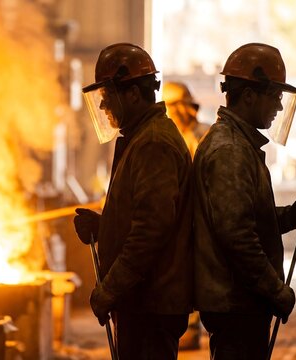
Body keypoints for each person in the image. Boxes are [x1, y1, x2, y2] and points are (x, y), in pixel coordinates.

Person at [191, 43, 296, 359]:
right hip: (236, 304)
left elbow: (245, 218)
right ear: (249, 95)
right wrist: (276, 291)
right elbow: (237, 238)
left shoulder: (238, 146)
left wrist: (292, 216)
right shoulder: (231, 152)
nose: (278, 106)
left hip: (238, 302)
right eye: (274, 95)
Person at [74, 42, 194, 359]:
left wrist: (110, 289)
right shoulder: (142, 138)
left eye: (107, 96)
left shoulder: (153, 142)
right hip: (143, 302)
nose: (102, 107)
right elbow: (143, 218)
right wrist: (105, 227)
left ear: (133, 94)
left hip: (151, 305)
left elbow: (150, 232)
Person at [162, 81, 209, 351]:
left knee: (194, 275)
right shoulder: (169, 138)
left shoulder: (201, 137)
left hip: (196, 220)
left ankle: (191, 331)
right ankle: (186, 330)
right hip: (179, 220)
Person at [162, 81, 210, 155]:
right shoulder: (162, 137)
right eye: (172, 105)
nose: (181, 109)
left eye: (184, 103)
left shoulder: (205, 132)